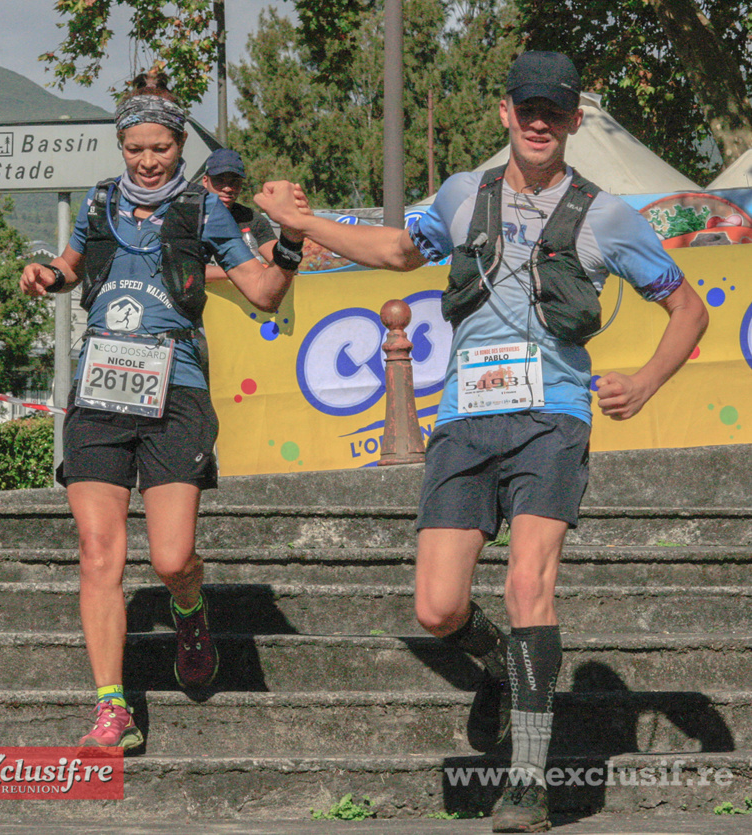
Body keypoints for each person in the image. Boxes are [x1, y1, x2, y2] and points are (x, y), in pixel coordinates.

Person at [254, 52, 707, 833]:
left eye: (553, 111)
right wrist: (301, 223)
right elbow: (398, 250)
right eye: (526, 107)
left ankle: (526, 778)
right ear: (505, 113)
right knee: (436, 607)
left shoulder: (607, 216)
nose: (538, 121)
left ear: (571, 121)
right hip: (464, 420)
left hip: (552, 418)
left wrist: (647, 380)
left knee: (529, 585)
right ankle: (500, 660)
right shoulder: (465, 193)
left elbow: (688, 309)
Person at [20, 73, 304, 752]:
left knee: (172, 555)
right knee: (98, 552)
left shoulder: (205, 210)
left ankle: (187, 606)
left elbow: (262, 291)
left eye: (160, 147)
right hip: (100, 389)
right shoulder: (100, 200)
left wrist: (290, 241)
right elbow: (69, 266)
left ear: (180, 144)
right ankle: (112, 709)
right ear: (121, 145)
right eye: (135, 147)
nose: (147, 159)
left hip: (174, 388)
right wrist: (44, 274)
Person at [200, 148, 277, 280]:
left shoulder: (252, 219)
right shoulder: (189, 217)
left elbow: (280, 263)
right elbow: (186, 271)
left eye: (234, 182)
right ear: (205, 181)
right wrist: (246, 271)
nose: (227, 188)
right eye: (219, 180)